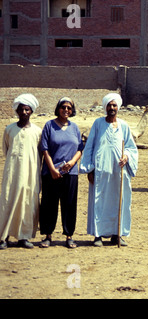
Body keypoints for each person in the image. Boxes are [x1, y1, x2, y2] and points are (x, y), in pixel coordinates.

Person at [79, 93, 138, 247]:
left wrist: (127, 156)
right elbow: (89, 146)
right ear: (105, 107)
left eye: (114, 105)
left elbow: (132, 148)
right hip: (101, 172)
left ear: (118, 107)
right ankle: (98, 235)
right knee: (100, 201)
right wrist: (90, 170)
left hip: (119, 172)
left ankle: (117, 235)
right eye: (109, 105)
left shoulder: (124, 125)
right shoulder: (98, 124)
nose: (112, 108)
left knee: (119, 201)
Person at [39, 97, 84, 249]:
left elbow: (79, 149)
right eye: (63, 107)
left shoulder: (75, 128)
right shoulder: (49, 125)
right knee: (49, 204)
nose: (66, 110)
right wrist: (52, 169)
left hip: (70, 173)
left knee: (69, 204)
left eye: (69, 108)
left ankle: (69, 236)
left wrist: (72, 163)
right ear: (58, 108)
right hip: (51, 172)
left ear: (72, 110)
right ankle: (47, 235)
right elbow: (44, 149)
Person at [0, 94, 42, 249]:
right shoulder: (9, 129)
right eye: (21, 109)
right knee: (7, 201)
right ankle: (3, 237)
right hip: (12, 172)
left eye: (27, 109)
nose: (24, 112)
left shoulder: (37, 131)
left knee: (28, 201)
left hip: (31, 173)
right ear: (16, 111)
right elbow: (6, 149)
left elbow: (40, 153)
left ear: (31, 111)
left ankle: (23, 237)